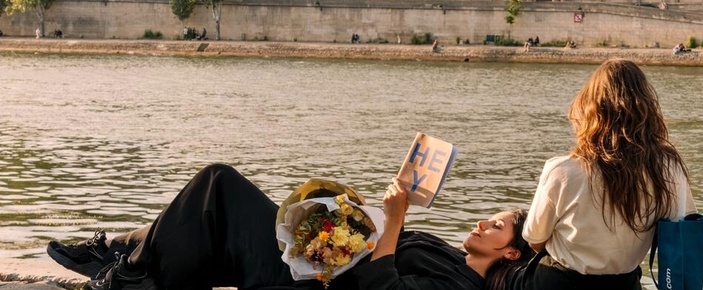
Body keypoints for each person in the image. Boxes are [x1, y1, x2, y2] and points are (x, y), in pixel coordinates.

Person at [46, 164, 534, 290]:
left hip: (309, 279)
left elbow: (384, 287)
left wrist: (397, 220)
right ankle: (120, 254)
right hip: (319, 262)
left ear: (512, 252)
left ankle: (124, 265)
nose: (483, 220)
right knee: (213, 217)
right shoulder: (452, 258)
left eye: (498, 224)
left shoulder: (461, 284)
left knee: (219, 186)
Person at [522, 59, 695, 289]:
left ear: (589, 110)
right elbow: (682, 230)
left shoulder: (563, 171)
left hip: (561, 282)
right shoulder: (670, 168)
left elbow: (534, 239)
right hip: (625, 284)